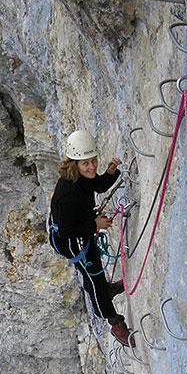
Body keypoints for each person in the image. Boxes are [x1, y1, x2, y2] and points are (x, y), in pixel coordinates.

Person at [48, 130, 133, 346]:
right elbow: (67, 231)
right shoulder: (67, 193)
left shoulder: (83, 176)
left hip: (78, 230)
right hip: (70, 241)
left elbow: (98, 184)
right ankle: (114, 322)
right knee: (93, 276)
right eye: (86, 163)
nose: (92, 166)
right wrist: (94, 225)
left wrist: (111, 173)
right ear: (74, 163)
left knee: (94, 270)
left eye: (94, 161)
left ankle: (105, 290)